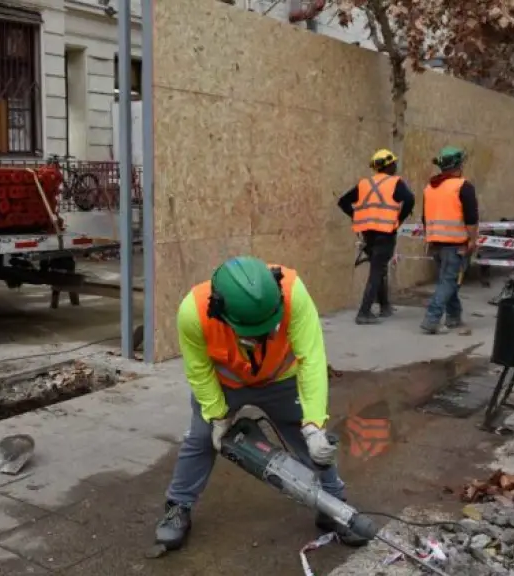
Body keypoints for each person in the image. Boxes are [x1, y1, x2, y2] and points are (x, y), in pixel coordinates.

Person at [154, 257, 371, 552]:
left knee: (311, 443)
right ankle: (178, 506)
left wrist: (313, 424)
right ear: (220, 311)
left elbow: (312, 359)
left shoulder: (293, 292)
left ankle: (334, 505)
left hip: (280, 380)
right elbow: (198, 370)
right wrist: (217, 415)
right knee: (201, 438)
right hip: (225, 385)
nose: (265, 335)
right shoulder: (193, 312)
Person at [337, 149, 416, 325]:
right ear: (389, 166)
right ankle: (364, 312)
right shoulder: (395, 182)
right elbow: (410, 200)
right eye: (394, 163)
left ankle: (384, 306)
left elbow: (343, 202)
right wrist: (399, 219)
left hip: (368, 233)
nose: (395, 166)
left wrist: (357, 216)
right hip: (385, 232)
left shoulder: (365, 184)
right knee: (377, 270)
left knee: (379, 268)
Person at [420, 146, 479, 335]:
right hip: (456, 244)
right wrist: (472, 240)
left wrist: (429, 239)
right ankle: (431, 319)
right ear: (458, 165)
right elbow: (471, 218)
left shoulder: (430, 188)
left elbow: (424, 218)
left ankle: (454, 316)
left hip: (435, 243)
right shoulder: (463, 186)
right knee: (449, 282)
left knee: (448, 280)